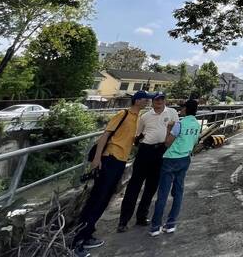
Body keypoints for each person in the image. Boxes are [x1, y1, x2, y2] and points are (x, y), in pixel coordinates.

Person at [72, 90, 152, 255]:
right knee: (97, 198)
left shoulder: (137, 118)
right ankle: (78, 241)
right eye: (145, 99)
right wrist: (97, 159)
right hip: (110, 159)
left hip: (121, 161)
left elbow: (126, 138)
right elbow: (105, 136)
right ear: (137, 101)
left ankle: (88, 233)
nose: (147, 102)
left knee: (104, 199)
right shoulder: (123, 114)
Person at [117, 92, 178, 232]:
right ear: (152, 101)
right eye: (157, 99)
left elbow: (176, 130)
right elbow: (138, 135)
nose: (159, 101)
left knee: (151, 187)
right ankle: (123, 220)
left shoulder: (172, 112)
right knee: (134, 185)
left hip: (161, 151)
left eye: (162, 99)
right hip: (145, 151)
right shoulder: (144, 117)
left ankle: (141, 216)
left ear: (165, 100)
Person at [150, 99, 201, 236]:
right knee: (178, 192)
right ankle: (171, 223)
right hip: (185, 158)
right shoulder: (197, 124)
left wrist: (168, 129)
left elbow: (167, 143)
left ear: (185, 109)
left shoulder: (180, 124)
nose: (181, 110)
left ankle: (155, 226)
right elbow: (195, 141)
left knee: (163, 193)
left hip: (171, 159)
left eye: (182, 107)